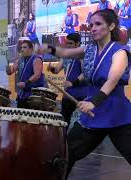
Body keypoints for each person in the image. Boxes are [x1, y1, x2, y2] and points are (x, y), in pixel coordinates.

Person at [37, 9, 131, 179]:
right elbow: (65, 53)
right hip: (93, 116)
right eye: (91, 25)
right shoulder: (89, 50)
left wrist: (93, 102)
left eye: (98, 24)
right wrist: (47, 48)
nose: (93, 28)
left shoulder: (120, 52)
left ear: (111, 26)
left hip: (118, 114)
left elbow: (112, 81)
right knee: (67, 152)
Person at [47, 33, 87, 128]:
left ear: (77, 44)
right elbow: (57, 70)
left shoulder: (82, 55)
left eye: (70, 43)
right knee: (64, 119)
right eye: (67, 43)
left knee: (85, 122)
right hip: (68, 93)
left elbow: (85, 73)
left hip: (81, 92)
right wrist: (52, 68)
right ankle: (63, 140)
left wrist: (73, 83)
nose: (68, 45)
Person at [6, 40, 46, 108]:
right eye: (21, 47)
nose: (22, 49)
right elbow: (10, 72)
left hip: (34, 94)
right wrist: (6, 63)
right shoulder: (19, 59)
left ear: (31, 49)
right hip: (22, 93)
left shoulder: (36, 59)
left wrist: (25, 83)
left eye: (24, 47)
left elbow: (37, 75)